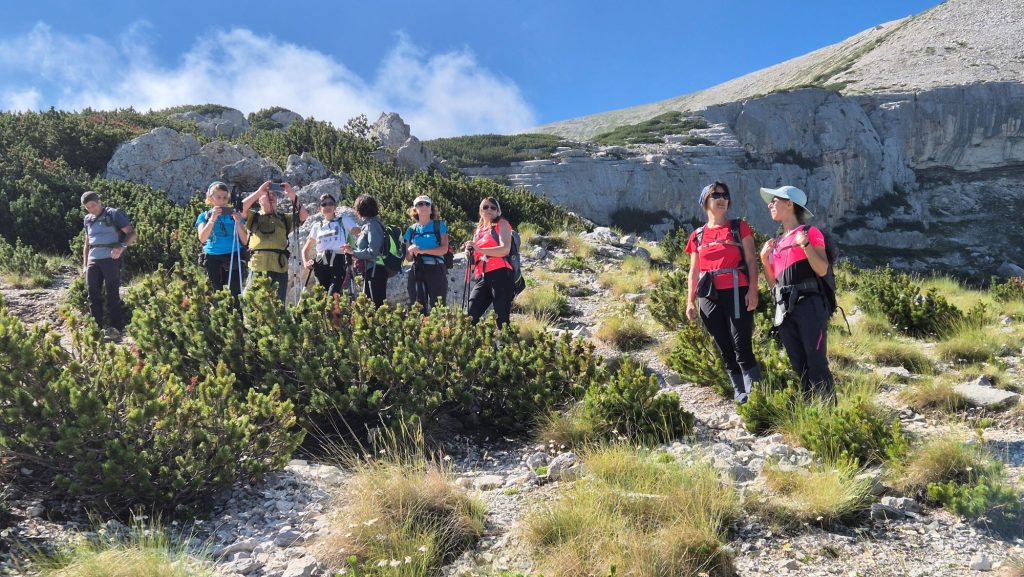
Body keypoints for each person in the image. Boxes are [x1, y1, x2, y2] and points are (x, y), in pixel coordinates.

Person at [685, 182, 761, 405]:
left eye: (724, 195)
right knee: (723, 344)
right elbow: (694, 270)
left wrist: (753, 289)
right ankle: (740, 392)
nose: (721, 198)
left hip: (737, 290)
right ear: (705, 201)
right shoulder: (697, 235)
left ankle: (755, 395)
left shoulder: (739, 227)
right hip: (708, 295)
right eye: (715, 195)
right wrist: (690, 301)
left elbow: (750, 260)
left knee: (741, 343)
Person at [758, 185, 835, 399]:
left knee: (816, 362)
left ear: (790, 204)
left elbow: (821, 268)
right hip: (785, 309)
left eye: (775, 200)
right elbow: (774, 286)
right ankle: (810, 413)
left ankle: (829, 415)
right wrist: (764, 261)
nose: (770, 204)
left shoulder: (809, 233)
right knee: (799, 364)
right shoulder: (777, 242)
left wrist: (806, 245)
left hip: (809, 305)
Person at [80, 190, 137, 340]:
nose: (91, 209)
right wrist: (85, 265)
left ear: (99, 201)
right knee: (92, 295)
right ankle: (96, 329)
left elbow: (132, 233)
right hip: (93, 260)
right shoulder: (88, 219)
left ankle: (116, 329)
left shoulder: (113, 214)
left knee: (112, 294)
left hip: (111, 259)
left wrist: (121, 247)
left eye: (93, 205)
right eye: (88, 208)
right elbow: (87, 243)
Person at [241, 180, 308, 303]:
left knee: (278, 305)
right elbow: (241, 208)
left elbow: (303, 216)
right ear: (259, 200)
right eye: (267, 194)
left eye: (274, 194)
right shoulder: (254, 217)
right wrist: (258, 192)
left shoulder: (284, 218)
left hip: (279, 268)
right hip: (258, 266)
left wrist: (293, 196)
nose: (271, 196)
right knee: (253, 304)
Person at [464, 197, 514, 328]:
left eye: (493, 207)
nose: (489, 210)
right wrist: (469, 253)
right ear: (481, 212)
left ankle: (506, 346)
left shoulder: (501, 224)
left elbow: (505, 249)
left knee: (502, 318)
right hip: (483, 276)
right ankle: (470, 346)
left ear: (498, 212)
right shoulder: (478, 232)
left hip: (501, 273)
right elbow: (475, 259)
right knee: (470, 316)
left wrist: (478, 248)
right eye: (485, 207)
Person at [196, 181, 248, 296]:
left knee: (235, 292)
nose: (222, 201)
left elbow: (245, 240)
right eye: (218, 197)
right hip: (212, 257)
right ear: (211, 198)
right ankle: (220, 313)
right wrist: (212, 219)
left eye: (225, 198)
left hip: (234, 255)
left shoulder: (235, 215)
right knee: (216, 292)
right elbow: (202, 238)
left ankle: (236, 313)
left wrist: (238, 222)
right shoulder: (204, 216)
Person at [301, 193, 357, 297]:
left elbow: (358, 231)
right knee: (321, 296)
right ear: (320, 209)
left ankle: (333, 313)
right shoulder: (317, 226)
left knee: (333, 295)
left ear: (335, 206)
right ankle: (326, 314)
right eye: (324, 204)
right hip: (320, 263)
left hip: (338, 261)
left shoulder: (343, 220)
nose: (327, 206)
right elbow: (305, 249)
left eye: (330, 204)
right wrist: (306, 263)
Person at [340, 194, 389, 307]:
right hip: (370, 271)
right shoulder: (368, 225)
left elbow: (373, 251)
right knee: (370, 308)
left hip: (376, 271)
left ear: (360, 209)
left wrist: (353, 252)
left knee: (376, 307)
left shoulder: (372, 225)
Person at [403, 195, 450, 314]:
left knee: (438, 307)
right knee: (417, 306)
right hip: (417, 270)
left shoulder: (439, 225)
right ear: (415, 209)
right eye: (420, 204)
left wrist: (423, 251)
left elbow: (444, 249)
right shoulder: (411, 230)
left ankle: (439, 332)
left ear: (431, 209)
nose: (424, 206)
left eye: (427, 204)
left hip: (436, 268)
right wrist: (411, 251)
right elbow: (408, 258)